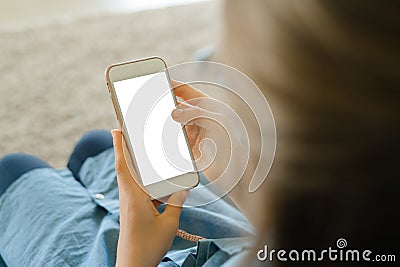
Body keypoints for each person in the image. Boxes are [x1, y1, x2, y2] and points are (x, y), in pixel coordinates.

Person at [1, 1, 399, 266]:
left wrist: (134, 258)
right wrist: (242, 170)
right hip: (227, 242)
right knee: (95, 147)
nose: (211, 62)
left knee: (15, 170)